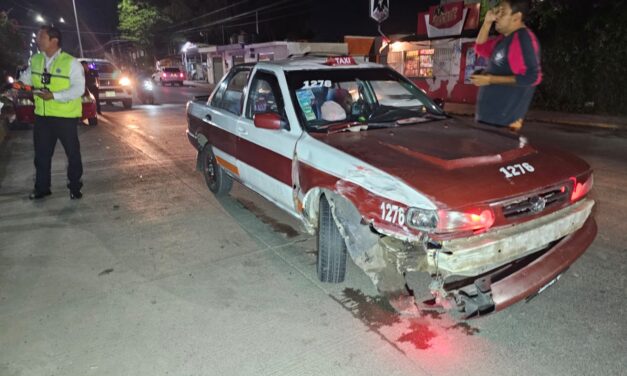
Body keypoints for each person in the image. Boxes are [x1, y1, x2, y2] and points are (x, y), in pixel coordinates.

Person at [18, 25, 85, 200]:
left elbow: (79, 89)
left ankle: (75, 187)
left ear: (54, 40)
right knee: (41, 155)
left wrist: (54, 96)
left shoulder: (71, 63)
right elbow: (25, 80)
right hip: (43, 117)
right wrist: (17, 86)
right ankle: (42, 188)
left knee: (73, 154)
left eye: (41, 37)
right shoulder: (36, 60)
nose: (38, 40)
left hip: (65, 117)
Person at [470, 0, 542, 132]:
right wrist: (487, 22)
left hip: (503, 126)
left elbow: (532, 77)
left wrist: (490, 79)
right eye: (497, 11)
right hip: (489, 123)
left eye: (502, 12)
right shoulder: (503, 40)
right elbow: (480, 48)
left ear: (516, 17)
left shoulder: (523, 39)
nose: (496, 16)